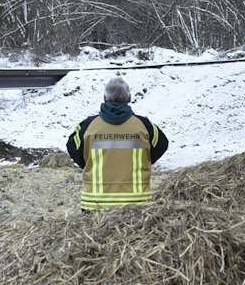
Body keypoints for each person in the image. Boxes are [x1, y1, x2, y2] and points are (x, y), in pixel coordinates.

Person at [65, 77, 169, 211]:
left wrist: (89, 165)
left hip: (95, 204)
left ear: (104, 97)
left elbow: (72, 147)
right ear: (129, 98)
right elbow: (162, 144)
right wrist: (144, 161)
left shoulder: (87, 126)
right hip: (136, 204)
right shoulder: (144, 126)